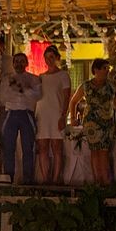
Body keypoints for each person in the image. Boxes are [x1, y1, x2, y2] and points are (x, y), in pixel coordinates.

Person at [68, 59, 116, 185]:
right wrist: (74, 118)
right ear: (95, 70)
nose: (107, 71)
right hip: (92, 123)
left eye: (108, 68)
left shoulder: (111, 86)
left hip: (107, 123)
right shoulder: (86, 85)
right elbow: (73, 102)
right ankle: (97, 181)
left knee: (104, 152)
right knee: (95, 152)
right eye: (104, 68)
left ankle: (105, 181)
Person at [0, 52, 41, 184]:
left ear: (26, 63)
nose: (19, 64)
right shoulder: (7, 79)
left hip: (26, 113)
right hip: (11, 113)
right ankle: (8, 177)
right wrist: (21, 93)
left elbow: (37, 95)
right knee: (8, 147)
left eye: (22, 61)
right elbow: (3, 98)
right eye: (16, 61)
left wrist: (23, 90)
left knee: (27, 148)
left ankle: (28, 179)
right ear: (13, 63)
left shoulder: (33, 79)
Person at [35, 45, 72, 184]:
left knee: (57, 147)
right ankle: (45, 179)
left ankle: (56, 179)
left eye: (51, 57)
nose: (49, 60)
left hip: (56, 113)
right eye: (46, 57)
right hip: (42, 114)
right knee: (43, 147)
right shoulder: (40, 77)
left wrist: (63, 115)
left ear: (57, 58)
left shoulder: (63, 75)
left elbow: (67, 96)